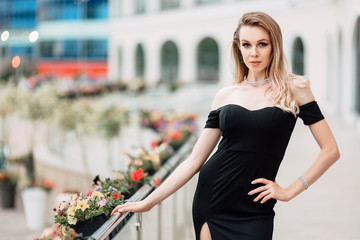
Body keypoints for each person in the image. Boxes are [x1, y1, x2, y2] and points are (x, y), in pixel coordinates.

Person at [111, 11, 340, 240]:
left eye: (262, 44)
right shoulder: (226, 95)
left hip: (256, 209)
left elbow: (330, 150)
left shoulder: (294, 89)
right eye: (246, 44)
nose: (254, 53)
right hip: (213, 201)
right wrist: (149, 202)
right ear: (238, 48)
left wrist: (290, 190)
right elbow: (193, 161)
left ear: (275, 46)